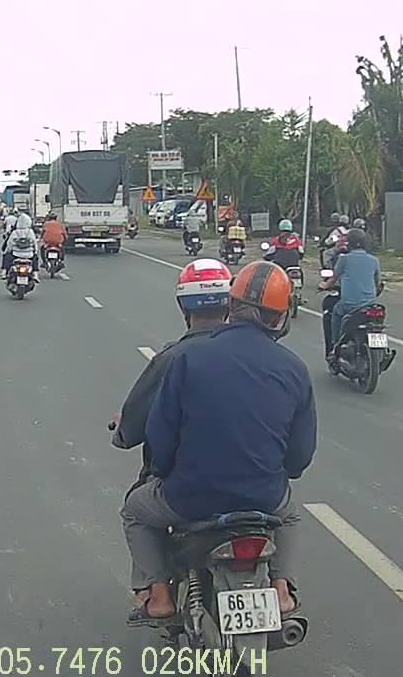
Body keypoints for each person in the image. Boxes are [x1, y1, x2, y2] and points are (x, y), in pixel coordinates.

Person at [121, 260, 314, 626]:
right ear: (280, 317)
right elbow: (299, 458)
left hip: (190, 498)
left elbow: (161, 438)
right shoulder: (294, 368)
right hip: (264, 498)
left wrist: (163, 473)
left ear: (232, 304)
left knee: (135, 510)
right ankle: (280, 589)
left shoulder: (187, 357)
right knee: (289, 514)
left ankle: (159, 596)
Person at [111, 259, 233, 478]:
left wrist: (123, 426)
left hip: (187, 487)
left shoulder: (173, 359)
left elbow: (128, 432)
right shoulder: (267, 358)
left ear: (184, 305)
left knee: (138, 500)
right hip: (261, 489)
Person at [320, 228, 381, 358]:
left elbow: (333, 279)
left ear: (349, 243)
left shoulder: (344, 259)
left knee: (336, 312)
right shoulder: (374, 260)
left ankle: (335, 344)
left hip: (349, 304)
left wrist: (323, 285)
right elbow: (377, 282)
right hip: (369, 305)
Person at [265, 219, 305, 284]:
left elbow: (269, 253)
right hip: (294, 265)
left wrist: (266, 257)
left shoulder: (276, 240)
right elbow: (301, 252)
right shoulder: (296, 239)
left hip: (280, 266)